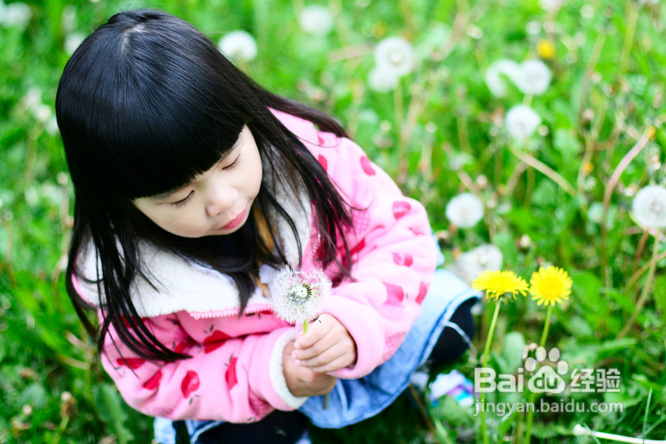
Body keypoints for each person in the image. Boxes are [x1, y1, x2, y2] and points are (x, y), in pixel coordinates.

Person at [55, 9, 480, 444]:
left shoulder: (311, 159)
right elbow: (153, 379)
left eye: (231, 161)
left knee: (451, 321)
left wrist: (355, 322)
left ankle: (421, 376)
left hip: (350, 329)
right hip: (248, 392)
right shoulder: (131, 280)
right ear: (119, 201)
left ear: (246, 112)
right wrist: (274, 372)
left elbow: (397, 235)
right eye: (181, 198)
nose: (222, 200)